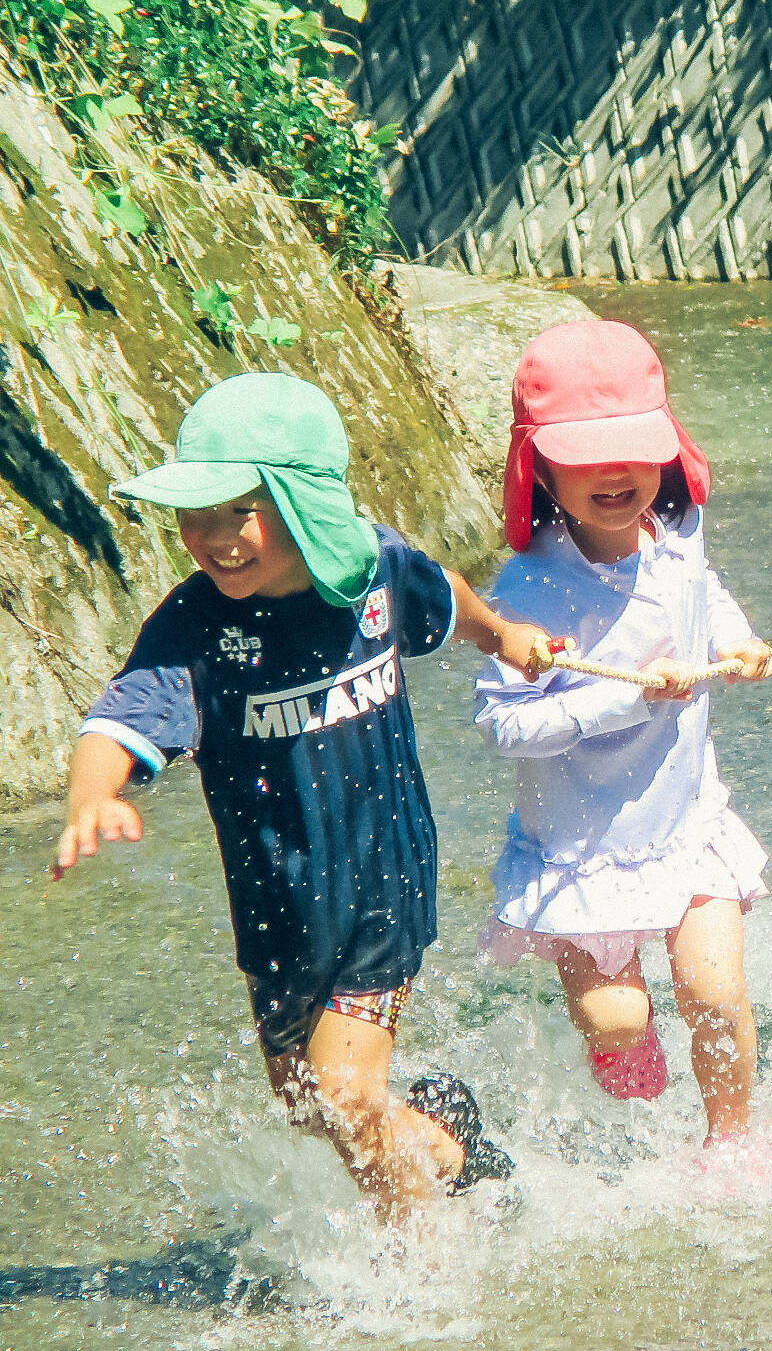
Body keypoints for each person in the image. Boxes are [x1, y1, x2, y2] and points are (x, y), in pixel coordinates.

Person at [54, 373, 554, 1224]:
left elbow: (443, 593)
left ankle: (420, 1269)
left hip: (382, 880)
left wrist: (501, 634)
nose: (216, 538)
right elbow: (120, 718)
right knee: (305, 1104)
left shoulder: (372, 571)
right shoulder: (195, 628)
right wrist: (90, 797)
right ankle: (449, 1147)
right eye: (197, 515)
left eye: (241, 511)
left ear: (305, 504)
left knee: (345, 1094)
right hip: (277, 903)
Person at [473, 320, 772, 1147]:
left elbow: (704, 592)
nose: (615, 474)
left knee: (715, 994)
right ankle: (622, 1059)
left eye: (635, 451)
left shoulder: (677, 533)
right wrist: (625, 700)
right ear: (539, 467)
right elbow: (502, 723)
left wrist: (735, 642)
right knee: (617, 1020)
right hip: (585, 847)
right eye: (585, 458)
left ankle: (731, 1145)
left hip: (685, 823)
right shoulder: (529, 589)